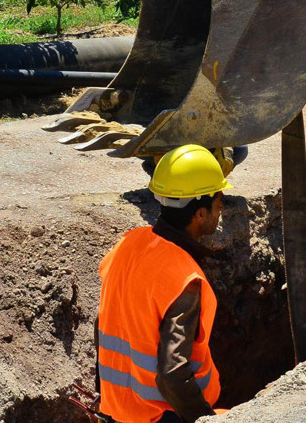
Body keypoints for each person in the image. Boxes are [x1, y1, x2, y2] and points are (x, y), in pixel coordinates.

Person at [95, 144, 232, 422]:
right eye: (218, 198)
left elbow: (103, 324)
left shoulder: (127, 245)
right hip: (160, 415)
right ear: (200, 214)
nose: (221, 205)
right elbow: (172, 374)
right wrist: (203, 418)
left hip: (117, 409)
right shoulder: (183, 278)